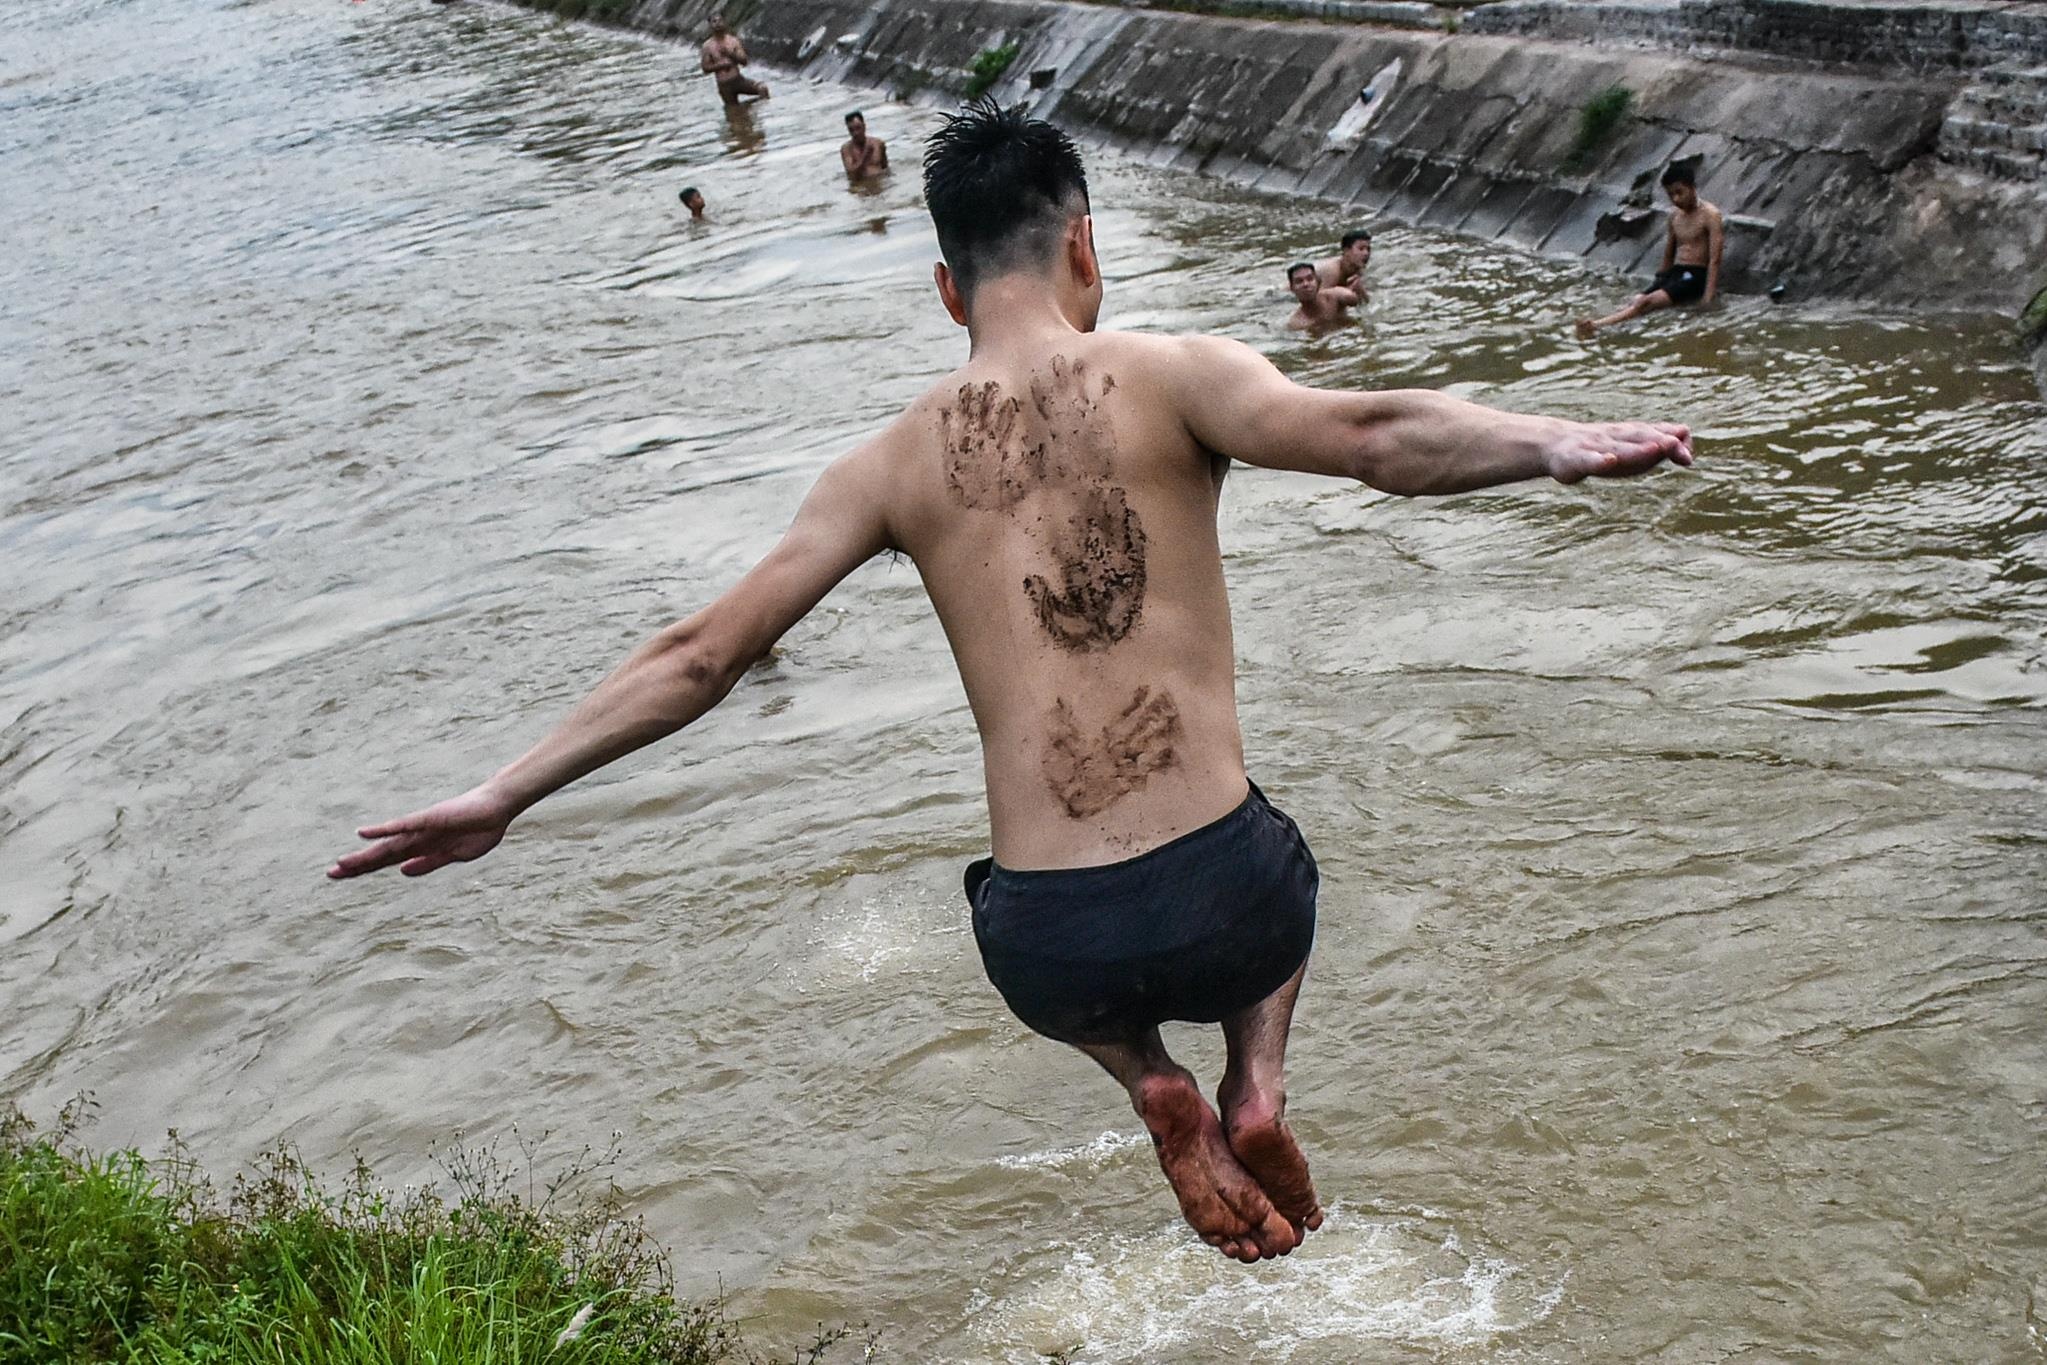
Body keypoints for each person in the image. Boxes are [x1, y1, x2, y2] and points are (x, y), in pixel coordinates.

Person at [328, 100, 1693, 1264]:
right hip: (1230, 898)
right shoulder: (1176, 374)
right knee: (1278, 863)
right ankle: (1252, 1082)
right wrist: (1550, 442)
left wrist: (503, 792)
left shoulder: (882, 467)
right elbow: (1372, 434)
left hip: (1051, 947)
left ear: (946, 287)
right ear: (1083, 244)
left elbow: (701, 655)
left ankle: (1143, 1076)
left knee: (1009, 905)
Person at [1576, 163, 1724, 338]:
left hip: (1695, 276)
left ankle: (1596, 326)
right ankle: (1606, 322)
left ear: (1692, 188)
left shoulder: (1710, 215)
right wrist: (1659, 281)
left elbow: (1715, 259)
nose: (1676, 199)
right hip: (1677, 273)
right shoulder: (1674, 216)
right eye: (1671, 195)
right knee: (1636, 299)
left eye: (1679, 192)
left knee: (1646, 302)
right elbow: (1669, 252)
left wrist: (1708, 297)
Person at [699, 14, 768, 106]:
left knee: (762, 88)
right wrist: (722, 65)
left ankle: (762, 111)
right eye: (714, 21)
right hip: (724, 85)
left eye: (720, 21)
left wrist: (730, 54)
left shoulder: (733, 41)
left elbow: (744, 61)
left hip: (738, 79)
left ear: (724, 23)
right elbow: (705, 68)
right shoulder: (707, 46)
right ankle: (741, 112)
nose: (717, 24)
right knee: (733, 110)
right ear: (710, 26)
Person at [1285, 262, 1360, 332]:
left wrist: (1356, 291)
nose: (1306, 284)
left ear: (1318, 282)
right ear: (1292, 288)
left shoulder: (1334, 297)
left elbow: (1355, 299)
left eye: (1310, 279)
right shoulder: (1297, 324)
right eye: (1299, 281)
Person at [1315, 229, 1371, 298]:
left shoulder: (1357, 269)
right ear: (1346, 250)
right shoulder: (1332, 270)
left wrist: (1361, 291)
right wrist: (1347, 291)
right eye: (1361, 249)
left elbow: (1365, 300)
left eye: (1368, 249)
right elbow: (1320, 299)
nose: (1366, 253)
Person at [840, 110, 888, 179]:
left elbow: (885, 168)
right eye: (851, 130)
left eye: (858, 128)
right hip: (860, 184)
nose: (856, 133)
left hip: (879, 182)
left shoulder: (878, 143)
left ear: (864, 126)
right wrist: (865, 154)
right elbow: (851, 174)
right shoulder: (846, 149)